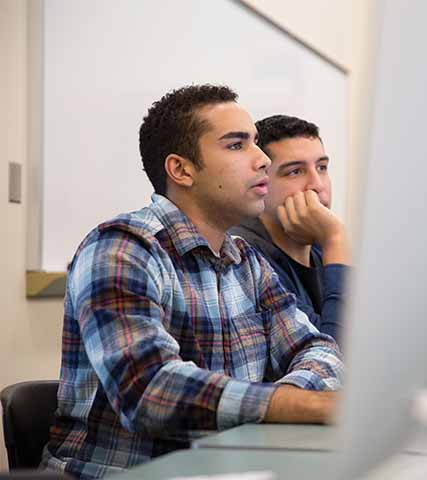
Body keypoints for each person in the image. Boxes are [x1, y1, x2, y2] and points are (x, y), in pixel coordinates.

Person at [41, 85, 343, 479]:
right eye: (237, 145)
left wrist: (292, 398)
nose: (262, 159)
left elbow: (319, 349)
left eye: (256, 143)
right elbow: (148, 389)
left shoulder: (245, 260)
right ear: (181, 169)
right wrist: (299, 405)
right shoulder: (121, 247)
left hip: (225, 471)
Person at [230, 115, 350, 345]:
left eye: (322, 167)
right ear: (261, 183)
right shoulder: (243, 258)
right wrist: (336, 240)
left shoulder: (320, 249)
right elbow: (335, 360)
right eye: (295, 171)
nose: (317, 184)